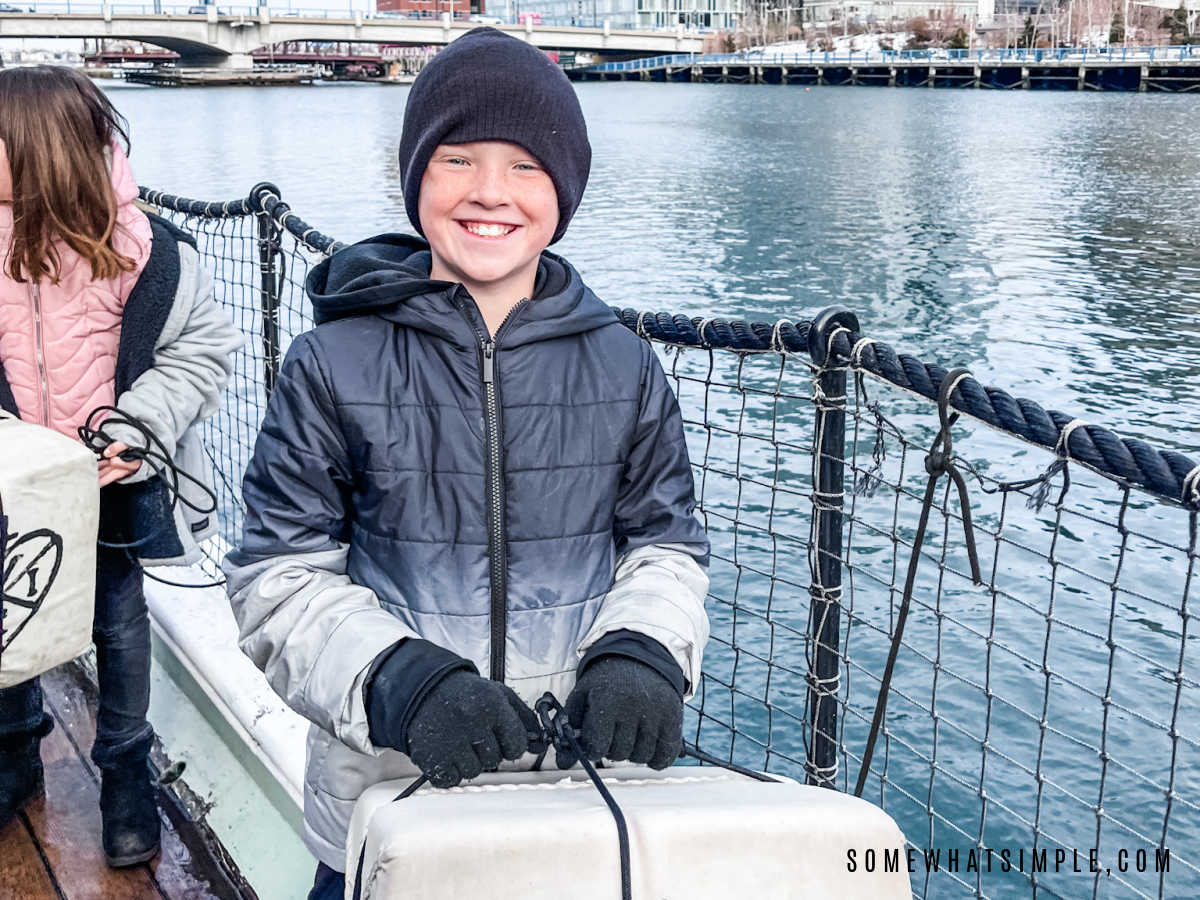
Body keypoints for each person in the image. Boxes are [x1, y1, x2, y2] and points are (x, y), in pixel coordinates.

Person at [223, 28, 710, 899]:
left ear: (565, 189)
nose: (491, 192)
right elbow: (277, 576)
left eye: (526, 166)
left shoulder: (627, 365)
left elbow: (665, 546)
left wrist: (643, 648)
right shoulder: (330, 363)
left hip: (577, 797)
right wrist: (397, 682)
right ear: (415, 177)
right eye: (457, 159)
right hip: (384, 797)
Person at [0, 66, 242, 867]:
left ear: (40, 153)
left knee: (118, 618)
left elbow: (203, 351)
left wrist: (133, 430)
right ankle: (13, 749)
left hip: (114, 478)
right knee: (9, 608)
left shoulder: (145, 252)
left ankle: (126, 768)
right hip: (14, 485)